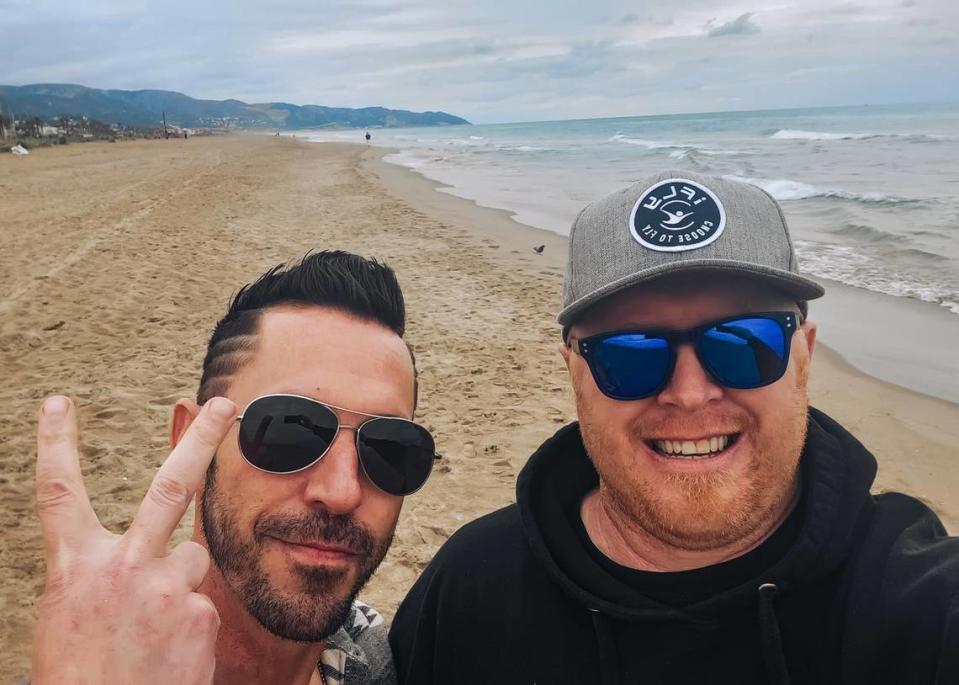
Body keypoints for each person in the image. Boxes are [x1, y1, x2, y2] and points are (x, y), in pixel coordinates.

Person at [389, 171, 959, 684]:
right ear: (575, 373)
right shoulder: (471, 590)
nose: (689, 393)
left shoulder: (917, 605)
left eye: (744, 343)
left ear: (803, 357)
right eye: (630, 354)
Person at [32, 251, 437, 685]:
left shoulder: (374, 657)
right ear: (191, 439)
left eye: (390, 448)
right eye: (289, 431)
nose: (342, 492)